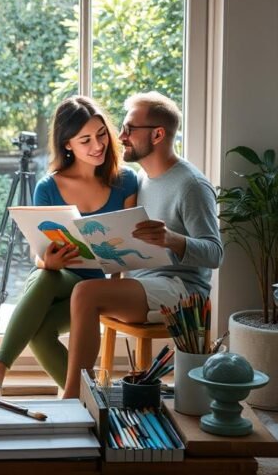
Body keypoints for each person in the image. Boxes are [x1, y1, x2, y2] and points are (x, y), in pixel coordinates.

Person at [61, 92, 223, 398]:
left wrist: (173, 239)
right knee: (75, 284)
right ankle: (81, 394)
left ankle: (72, 398)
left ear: (158, 134)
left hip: (181, 290)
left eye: (129, 128)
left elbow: (215, 254)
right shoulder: (142, 178)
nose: (120, 136)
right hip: (144, 281)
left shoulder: (191, 186)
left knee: (85, 293)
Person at [0, 96, 138, 396]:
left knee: (39, 336)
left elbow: (127, 249)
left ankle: (79, 398)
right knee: (44, 275)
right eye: (85, 140)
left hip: (98, 287)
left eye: (102, 134)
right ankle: (1, 371)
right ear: (68, 145)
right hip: (60, 279)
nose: (98, 145)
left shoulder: (126, 181)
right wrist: (47, 262)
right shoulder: (48, 187)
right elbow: (38, 255)